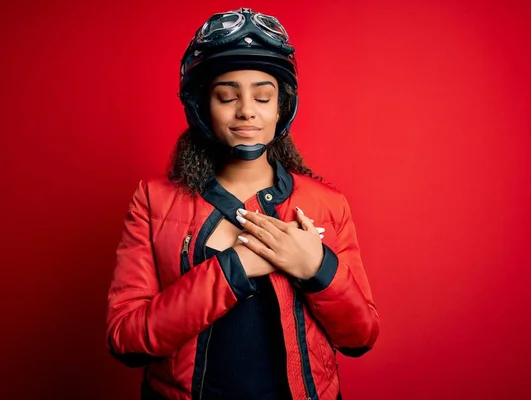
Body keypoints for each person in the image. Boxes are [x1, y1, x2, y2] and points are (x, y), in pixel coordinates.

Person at [106, 8, 379, 400]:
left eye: (263, 96)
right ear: (202, 106)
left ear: (281, 106)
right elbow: (126, 339)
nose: (247, 110)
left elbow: (360, 336)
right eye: (227, 96)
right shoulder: (152, 201)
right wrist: (236, 267)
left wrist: (315, 267)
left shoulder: (327, 204)